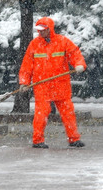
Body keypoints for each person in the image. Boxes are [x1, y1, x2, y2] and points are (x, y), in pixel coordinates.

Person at [19, 17, 86, 149]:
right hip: (42, 86)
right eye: (39, 30)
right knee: (41, 114)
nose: (41, 33)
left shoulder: (62, 41)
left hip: (61, 85)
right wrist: (24, 82)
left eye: (43, 30)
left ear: (50, 29)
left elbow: (75, 54)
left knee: (68, 113)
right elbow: (27, 65)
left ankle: (74, 139)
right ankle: (37, 140)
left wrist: (79, 65)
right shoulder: (34, 45)